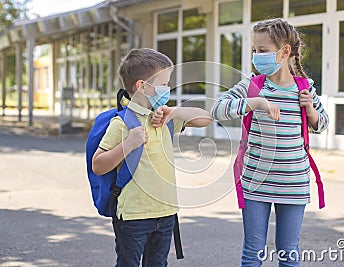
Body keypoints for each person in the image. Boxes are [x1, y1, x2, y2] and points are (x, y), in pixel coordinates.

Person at [211, 18, 329, 267]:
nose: (256, 56)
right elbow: (217, 110)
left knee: (289, 253)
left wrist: (311, 111)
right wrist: (254, 103)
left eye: (262, 50)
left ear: (284, 51)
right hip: (256, 183)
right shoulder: (251, 87)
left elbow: (323, 124)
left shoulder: (305, 89)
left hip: (294, 185)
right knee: (253, 253)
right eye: (254, 50)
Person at [92, 48, 212, 267]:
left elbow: (206, 118)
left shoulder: (164, 119)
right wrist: (128, 144)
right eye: (164, 84)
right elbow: (98, 165)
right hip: (134, 217)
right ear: (142, 86)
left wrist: (173, 112)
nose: (168, 89)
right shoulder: (121, 123)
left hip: (166, 214)